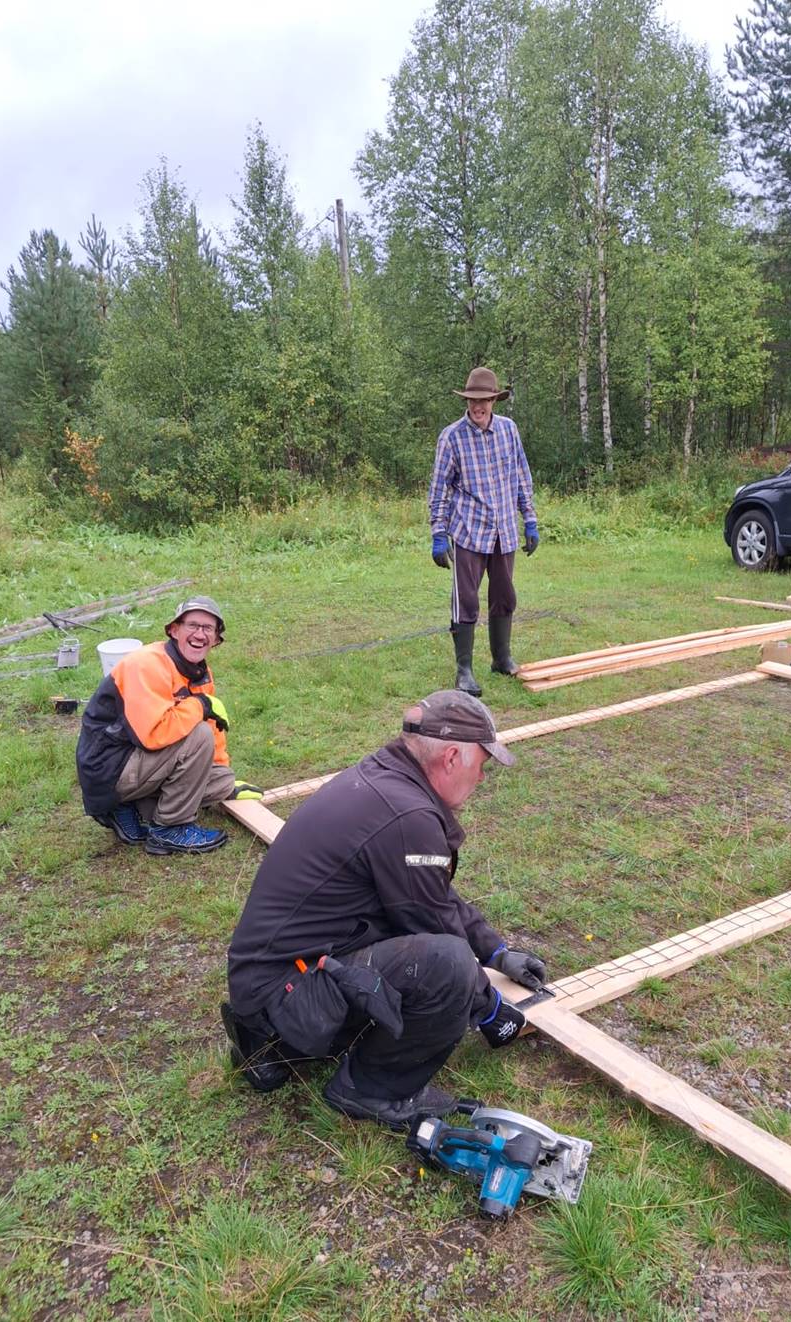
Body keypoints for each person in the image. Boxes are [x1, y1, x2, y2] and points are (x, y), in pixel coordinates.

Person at [222, 690, 547, 1130]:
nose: (483, 776)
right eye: (482, 763)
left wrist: (496, 952)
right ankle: (372, 1089)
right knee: (449, 965)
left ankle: (273, 1044)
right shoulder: (408, 816)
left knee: (434, 952)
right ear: (452, 757)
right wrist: (488, 1008)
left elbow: (429, 893)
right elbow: (434, 928)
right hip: (283, 994)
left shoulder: (385, 781)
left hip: (270, 979)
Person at [75, 594, 262, 856]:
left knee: (221, 781)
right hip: (110, 768)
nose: (200, 634)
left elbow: (213, 727)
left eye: (208, 628)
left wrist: (223, 777)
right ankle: (170, 829)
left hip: (141, 764)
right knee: (197, 734)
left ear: (216, 639)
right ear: (174, 630)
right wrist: (199, 705)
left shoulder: (200, 673)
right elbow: (153, 735)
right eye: (192, 625)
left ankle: (132, 807)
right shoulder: (146, 664)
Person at [428, 366, 539, 697]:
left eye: (485, 400)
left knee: (504, 595)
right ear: (466, 401)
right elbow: (439, 489)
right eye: (473, 400)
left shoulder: (508, 430)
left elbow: (521, 476)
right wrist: (439, 533)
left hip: (504, 530)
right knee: (466, 600)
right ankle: (464, 670)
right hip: (469, 532)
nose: (478, 406)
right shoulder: (451, 437)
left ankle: (501, 658)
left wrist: (529, 519)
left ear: (494, 400)